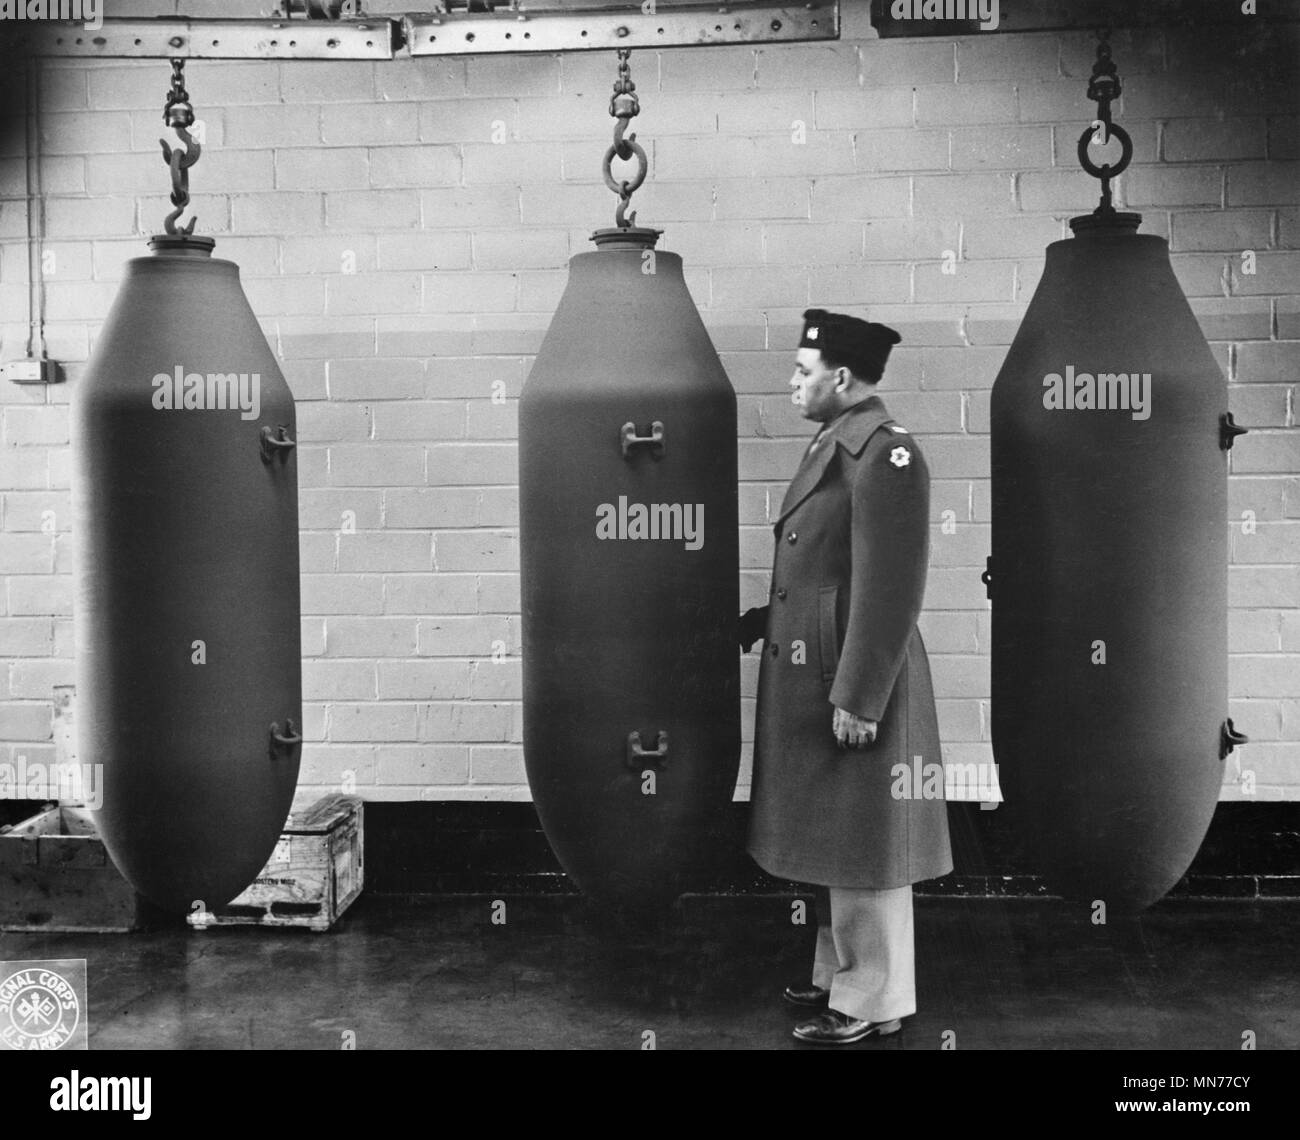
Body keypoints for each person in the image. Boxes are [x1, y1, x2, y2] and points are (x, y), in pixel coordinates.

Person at [739, 308, 952, 1046]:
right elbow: (822, 572)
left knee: (868, 845)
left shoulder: (886, 455)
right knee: (836, 839)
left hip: (859, 679)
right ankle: (840, 976)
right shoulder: (835, 445)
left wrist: (861, 697)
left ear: (841, 376)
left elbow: (891, 588)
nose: (792, 384)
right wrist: (762, 621)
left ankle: (875, 999)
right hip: (820, 672)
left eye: (802, 372)